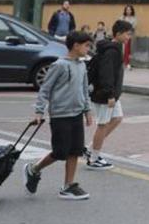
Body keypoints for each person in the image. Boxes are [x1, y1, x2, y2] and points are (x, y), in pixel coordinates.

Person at [24, 30, 94, 200]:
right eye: (86, 46)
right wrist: (39, 111)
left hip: (76, 113)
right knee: (60, 151)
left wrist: (87, 110)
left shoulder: (82, 65)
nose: (88, 49)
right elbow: (45, 89)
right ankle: (33, 169)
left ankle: (68, 186)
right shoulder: (59, 65)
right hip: (60, 115)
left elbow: (84, 89)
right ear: (76, 46)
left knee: (75, 150)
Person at [87, 20, 132, 170]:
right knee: (102, 124)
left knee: (117, 118)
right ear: (118, 33)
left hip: (111, 93)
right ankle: (93, 158)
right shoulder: (112, 51)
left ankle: (91, 149)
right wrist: (110, 95)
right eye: (127, 34)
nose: (128, 37)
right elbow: (107, 74)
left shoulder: (115, 48)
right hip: (106, 94)